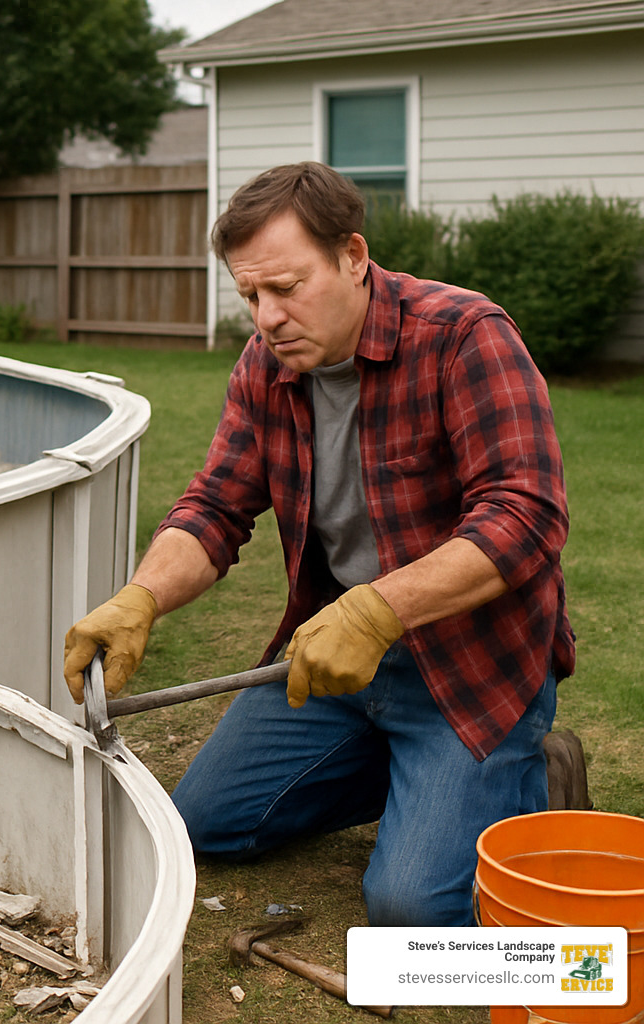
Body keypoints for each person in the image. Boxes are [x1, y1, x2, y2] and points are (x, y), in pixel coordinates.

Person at [62, 162, 573, 927]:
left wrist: (377, 610)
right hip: (333, 663)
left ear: (354, 257)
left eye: (287, 287)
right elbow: (215, 506)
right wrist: (141, 599)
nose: (267, 317)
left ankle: (531, 773)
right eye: (250, 296)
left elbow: (524, 516)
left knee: (411, 915)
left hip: (468, 669)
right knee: (196, 827)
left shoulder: (464, 336)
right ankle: (412, 778)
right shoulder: (266, 368)